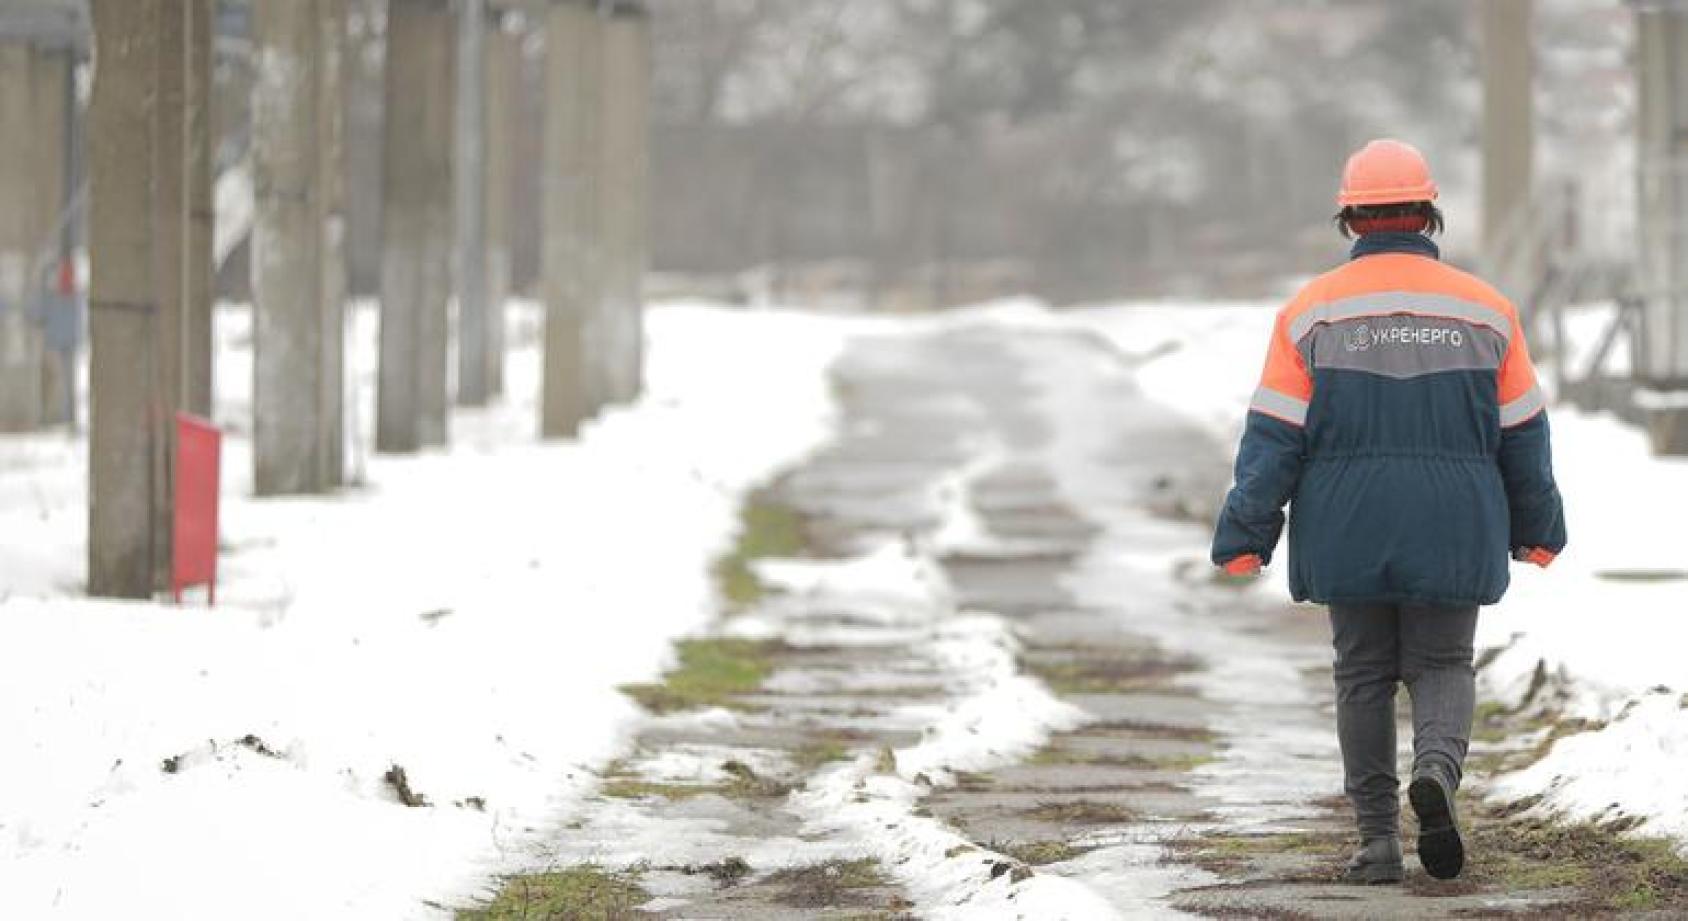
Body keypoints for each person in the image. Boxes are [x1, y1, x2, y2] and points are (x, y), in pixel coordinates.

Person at [1210, 138, 1566, 884]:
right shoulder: (1488, 311)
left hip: (1347, 522)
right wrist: (1537, 527)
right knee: (1441, 661)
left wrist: (1247, 534)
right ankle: (1435, 768)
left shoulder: (1309, 314)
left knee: (1362, 674)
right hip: (1454, 519)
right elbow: (1523, 434)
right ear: (1428, 214)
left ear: (1350, 219)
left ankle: (1376, 840)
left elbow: (1274, 435)